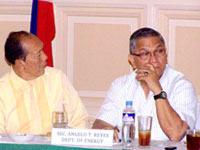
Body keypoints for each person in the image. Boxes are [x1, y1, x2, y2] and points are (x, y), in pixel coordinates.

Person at [92, 27, 198, 141]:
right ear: (132, 60)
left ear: (166, 54)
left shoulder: (182, 86)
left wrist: (157, 90)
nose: (153, 59)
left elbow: (176, 134)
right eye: (145, 54)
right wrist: (105, 129)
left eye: (159, 51)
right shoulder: (121, 85)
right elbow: (100, 123)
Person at [0, 31, 88, 135]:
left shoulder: (57, 79)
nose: (45, 57)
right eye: (38, 55)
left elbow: (79, 122)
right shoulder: (3, 91)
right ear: (20, 63)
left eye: (43, 51)